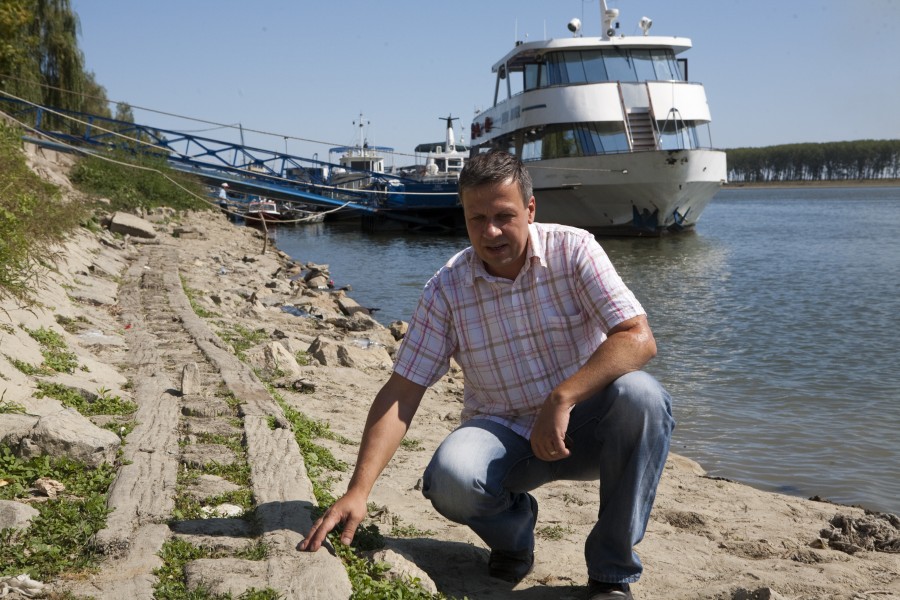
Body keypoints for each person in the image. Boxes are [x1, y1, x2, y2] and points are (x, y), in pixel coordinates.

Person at [299, 150, 674, 600]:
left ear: (530, 210)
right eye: (477, 218)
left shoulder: (574, 249)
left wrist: (563, 397)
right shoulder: (446, 288)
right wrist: (357, 491)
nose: (491, 231)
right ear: (464, 216)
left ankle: (611, 574)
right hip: (506, 435)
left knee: (643, 397)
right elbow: (403, 390)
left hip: (585, 426)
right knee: (453, 478)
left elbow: (638, 338)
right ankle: (516, 536)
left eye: (504, 216)